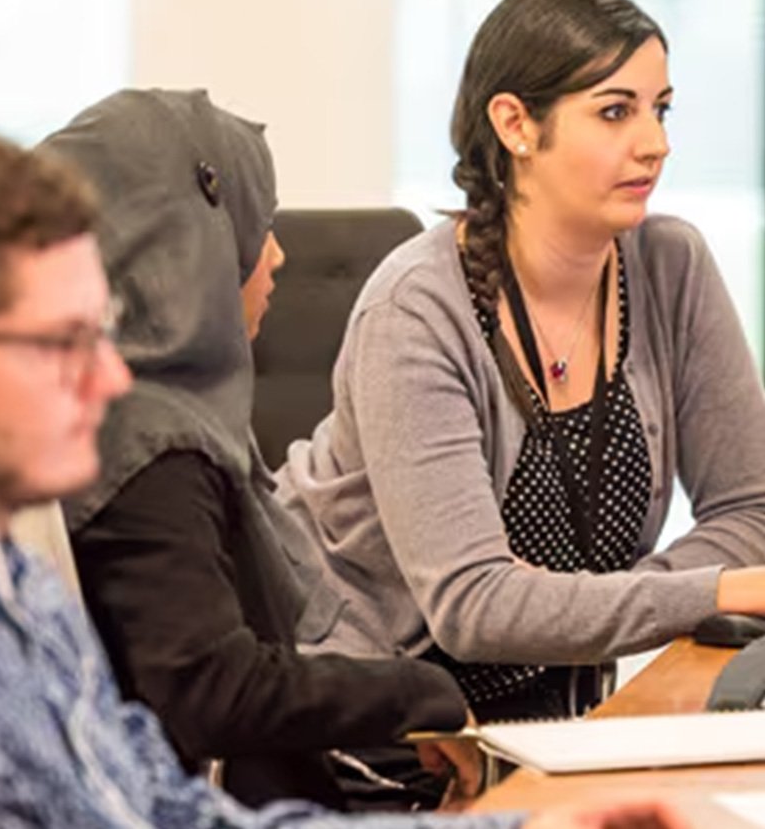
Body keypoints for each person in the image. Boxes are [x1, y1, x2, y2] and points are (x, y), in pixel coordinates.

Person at [0, 127, 690, 829]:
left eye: (100, 331)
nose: (109, 375)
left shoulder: (17, 590)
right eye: (63, 341)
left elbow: (170, 814)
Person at [273, 0, 765, 722]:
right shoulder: (417, 312)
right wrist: (713, 589)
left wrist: (607, 604)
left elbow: (754, 514)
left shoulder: (670, 266)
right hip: (388, 733)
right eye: (614, 112)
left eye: (660, 110)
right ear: (516, 125)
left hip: (561, 719)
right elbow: (473, 606)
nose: (655, 144)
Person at [37, 89, 478, 812]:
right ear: (187, 242)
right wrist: (416, 694)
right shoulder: (152, 447)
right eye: (257, 224)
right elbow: (211, 692)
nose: (276, 253)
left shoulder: (150, 418)